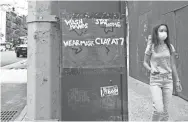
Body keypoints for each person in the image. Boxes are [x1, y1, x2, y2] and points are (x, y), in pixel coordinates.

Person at [143, 23, 182, 121]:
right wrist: (150, 69)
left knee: (165, 112)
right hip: (155, 80)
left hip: (168, 80)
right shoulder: (151, 46)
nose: (164, 33)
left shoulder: (170, 47)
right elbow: (145, 62)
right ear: (156, 32)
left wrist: (177, 81)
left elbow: (173, 65)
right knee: (158, 110)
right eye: (161, 31)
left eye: (165, 31)